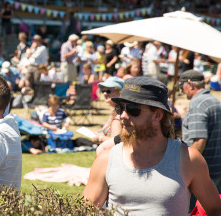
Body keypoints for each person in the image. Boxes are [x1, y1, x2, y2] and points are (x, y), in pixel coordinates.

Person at [83, 77, 221, 216]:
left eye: (132, 109)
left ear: (157, 115)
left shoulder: (189, 159)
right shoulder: (106, 160)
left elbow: (215, 210)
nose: (123, 116)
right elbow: (85, 212)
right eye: (120, 108)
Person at [179, 69, 221, 207]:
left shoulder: (198, 104)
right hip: (216, 167)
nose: (181, 91)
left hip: (202, 172)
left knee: (194, 211)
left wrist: (187, 170)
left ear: (190, 84)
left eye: (181, 86)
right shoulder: (214, 100)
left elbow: (199, 142)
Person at [91, 76, 124, 145]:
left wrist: (100, 138)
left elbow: (115, 142)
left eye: (108, 91)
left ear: (120, 92)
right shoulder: (115, 110)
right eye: (103, 91)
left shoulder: (120, 113)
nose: (104, 93)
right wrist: (100, 133)